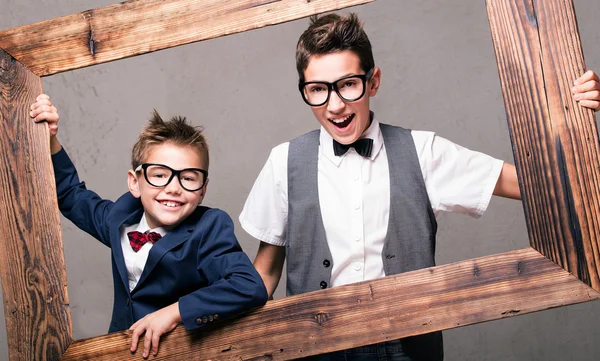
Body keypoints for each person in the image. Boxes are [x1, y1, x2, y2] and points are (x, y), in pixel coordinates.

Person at [239, 13, 600, 361]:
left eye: (349, 84)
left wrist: (570, 117)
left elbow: (537, 184)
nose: (335, 105)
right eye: (317, 90)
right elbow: (266, 272)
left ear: (374, 81)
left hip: (406, 347)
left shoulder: (423, 152)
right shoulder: (283, 161)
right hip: (310, 347)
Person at [30, 95, 268, 359]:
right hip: (120, 353)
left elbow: (249, 286)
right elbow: (70, 195)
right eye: (159, 175)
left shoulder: (208, 228)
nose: (174, 188)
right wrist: (50, 138)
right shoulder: (119, 218)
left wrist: (174, 312)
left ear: (202, 190)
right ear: (135, 182)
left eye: (189, 177)